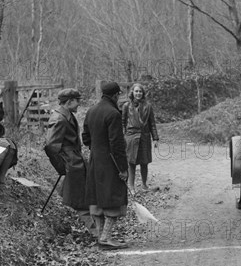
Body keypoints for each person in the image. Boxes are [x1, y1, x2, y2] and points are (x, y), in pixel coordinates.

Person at [83, 81, 129, 249]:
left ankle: (102, 237)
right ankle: (105, 238)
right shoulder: (113, 113)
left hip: (95, 160)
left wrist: (97, 148)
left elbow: (85, 138)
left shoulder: (91, 111)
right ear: (115, 95)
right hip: (111, 162)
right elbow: (117, 144)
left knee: (98, 198)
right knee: (112, 199)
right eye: (119, 95)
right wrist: (123, 168)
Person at [44, 89, 92, 230]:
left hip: (75, 161)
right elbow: (51, 146)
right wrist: (62, 166)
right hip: (71, 163)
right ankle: (92, 231)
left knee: (79, 197)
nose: (79, 104)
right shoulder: (59, 118)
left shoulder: (67, 115)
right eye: (77, 101)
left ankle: (89, 228)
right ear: (70, 101)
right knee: (76, 200)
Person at [122, 83, 159, 192]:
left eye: (140, 91)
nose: (138, 93)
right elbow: (122, 122)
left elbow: (152, 123)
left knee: (144, 162)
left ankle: (144, 185)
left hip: (144, 136)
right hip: (131, 137)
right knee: (131, 162)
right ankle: (132, 187)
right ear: (132, 92)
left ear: (143, 93)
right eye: (136, 91)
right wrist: (123, 137)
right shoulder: (126, 106)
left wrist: (155, 138)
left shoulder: (148, 106)